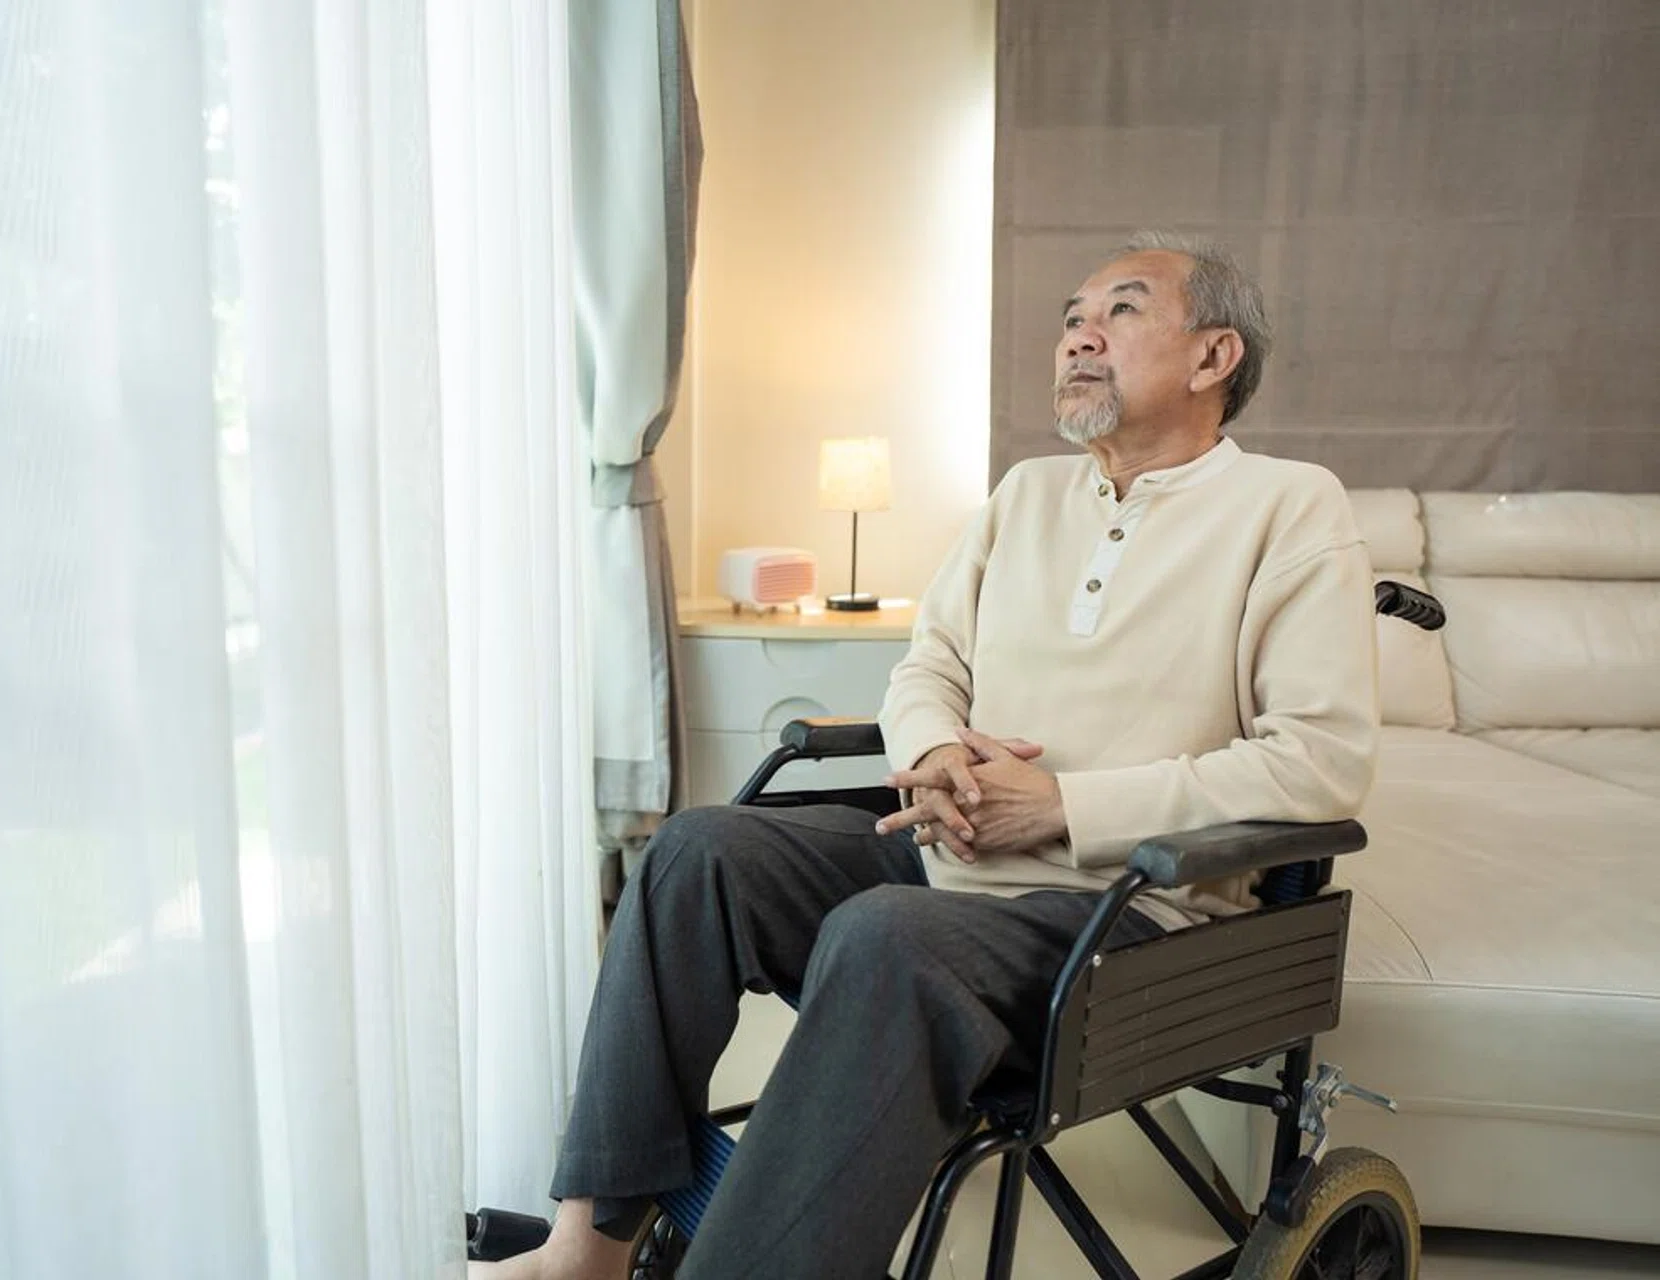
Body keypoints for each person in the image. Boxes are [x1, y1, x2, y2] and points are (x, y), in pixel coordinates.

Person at [473, 232, 1378, 1279]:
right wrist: (936, 750)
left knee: (886, 934)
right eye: (1071, 315)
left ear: (1214, 357)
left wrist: (1060, 806)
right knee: (697, 852)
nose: (1078, 333)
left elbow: (1318, 764)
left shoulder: (1290, 506)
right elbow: (928, 663)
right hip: (944, 861)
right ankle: (583, 1252)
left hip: (1123, 914)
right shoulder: (1026, 495)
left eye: (1120, 310)